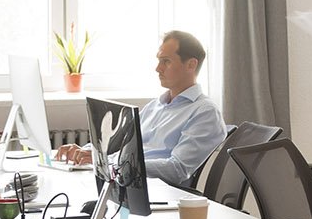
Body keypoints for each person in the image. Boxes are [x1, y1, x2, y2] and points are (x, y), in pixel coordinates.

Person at [54, 30, 227, 186]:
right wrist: (85, 152)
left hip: (154, 191)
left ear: (191, 65)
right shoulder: (155, 106)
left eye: (166, 61)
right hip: (125, 183)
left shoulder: (205, 112)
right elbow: (119, 143)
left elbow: (177, 169)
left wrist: (112, 165)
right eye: (159, 60)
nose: (158, 68)